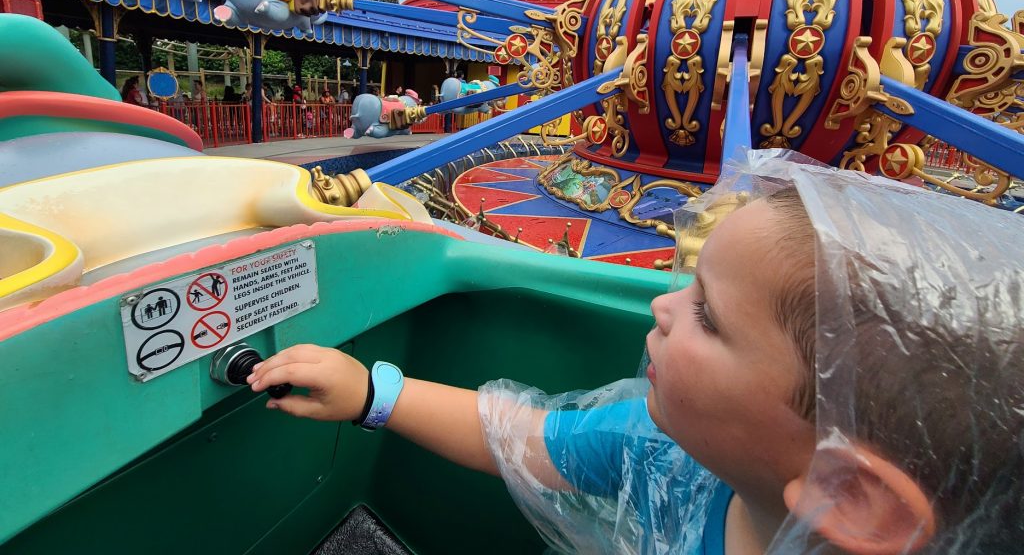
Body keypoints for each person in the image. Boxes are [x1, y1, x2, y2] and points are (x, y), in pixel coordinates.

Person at [248, 152, 1023, 554]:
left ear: (851, 496)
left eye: (707, 316)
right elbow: (520, 436)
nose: (659, 303)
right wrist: (372, 395)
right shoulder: (666, 451)